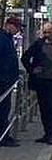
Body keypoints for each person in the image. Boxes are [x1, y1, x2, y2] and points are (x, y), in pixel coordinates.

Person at [1, 17, 21, 147]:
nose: (18, 30)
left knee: (5, 109)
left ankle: (5, 135)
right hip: (2, 81)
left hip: (7, 80)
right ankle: (4, 137)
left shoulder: (7, 39)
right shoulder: (3, 39)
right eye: (16, 27)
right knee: (2, 110)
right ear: (8, 25)